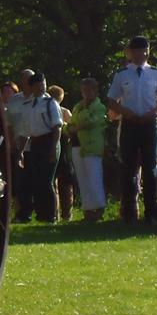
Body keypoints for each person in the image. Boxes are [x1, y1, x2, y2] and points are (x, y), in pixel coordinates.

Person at [107, 36, 157, 224]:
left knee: (150, 170)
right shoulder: (122, 74)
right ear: (130, 53)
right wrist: (127, 113)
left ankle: (151, 213)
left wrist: (154, 112)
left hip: (149, 124)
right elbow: (111, 100)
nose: (142, 54)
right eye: (138, 50)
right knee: (128, 169)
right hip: (130, 124)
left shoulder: (156, 73)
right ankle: (130, 214)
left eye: (145, 50)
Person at [23, 72, 63, 222]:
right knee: (37, 180)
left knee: (47, 181)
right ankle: (41, 213)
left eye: (43, 83)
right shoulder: (29, 104)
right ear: (32, 86)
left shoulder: (50, 102)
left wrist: (53, 147)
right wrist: (21, 150)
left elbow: (57, 126)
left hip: (48, 141)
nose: (42, 86)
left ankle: (51, 215)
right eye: (38, 84)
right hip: (35, 142)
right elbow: (26, 130)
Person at [68, 78, 107, 221]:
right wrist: (71, 128)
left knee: (94, 176)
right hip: (77, 146)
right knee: (82, 179)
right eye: (84, 90)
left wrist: (77, 126)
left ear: (96, 91)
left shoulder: (99, 107)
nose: (86, 93)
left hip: (92, 146)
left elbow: (90, 121)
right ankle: (88, 209)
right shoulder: (77, 106)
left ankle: (99, 208)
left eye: (89, 90)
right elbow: (71, 123)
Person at [6, 69, 37, 222]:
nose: (28, 82)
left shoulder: (40, 98)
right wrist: (12, 144)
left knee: (37, 180)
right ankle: (23, 213)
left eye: (30, 79)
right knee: (21, 182)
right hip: (19, 146)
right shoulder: (14, 101)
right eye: (26, 79)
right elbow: (9, 124)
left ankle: (42, 212)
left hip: (36, 145)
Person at [48, 84, 75, 220]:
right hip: (60, 149)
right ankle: (60, 213)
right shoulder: (63, 112)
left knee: (63, 183)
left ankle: (62, 213)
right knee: (61, 183)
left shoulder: (65, 112)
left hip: (63, 149)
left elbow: (71, 130)